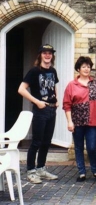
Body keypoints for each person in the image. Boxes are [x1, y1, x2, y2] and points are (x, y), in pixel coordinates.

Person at [18, 44, 59, 184]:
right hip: (40, 110)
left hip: (52, 110)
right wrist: (37, 102)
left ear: (52, 56)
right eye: (45, 53)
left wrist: (57, 100)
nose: (47, 55)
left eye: (50, 53)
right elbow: (21, 89)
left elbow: (54, 86)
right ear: (40, 55)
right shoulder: (34, 71)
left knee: (46, 142)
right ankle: (31, 171)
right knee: (36, 142)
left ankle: (41, 168)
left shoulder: (53, 71)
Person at [63, 56, 96, 182]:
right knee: (79, 147)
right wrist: (70, 121)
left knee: (92, 147)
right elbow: (67, 104)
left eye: (88, 66)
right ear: (78, 69)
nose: (86, 69)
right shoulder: (72, 85)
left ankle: (95, 170)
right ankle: (81, 172)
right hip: (77, 121)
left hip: (93, 121)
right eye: (83, 67)